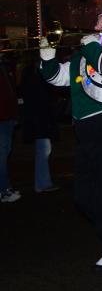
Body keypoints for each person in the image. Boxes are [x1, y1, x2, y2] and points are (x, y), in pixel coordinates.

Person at [39, 9, 102, 268]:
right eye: (97, 21)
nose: (96, 25)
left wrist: (92, 47)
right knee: (83, 196)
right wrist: (47, 54)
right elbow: (55, 77)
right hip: (85, 131)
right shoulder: (82, 56)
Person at [19, 53, 59, 192]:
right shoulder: (36, 74)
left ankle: (43, 182)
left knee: (44, 150)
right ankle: (42, 183)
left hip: (39, 118)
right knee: (43, 150)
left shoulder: (29, 73)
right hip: (40, 118)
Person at [0, 53, 19, 203]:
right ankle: (4, 189)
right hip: (3, 117)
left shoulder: (4, 66)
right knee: (2, 155)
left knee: (4, 153)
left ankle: (4, 188)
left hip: (7, 117)